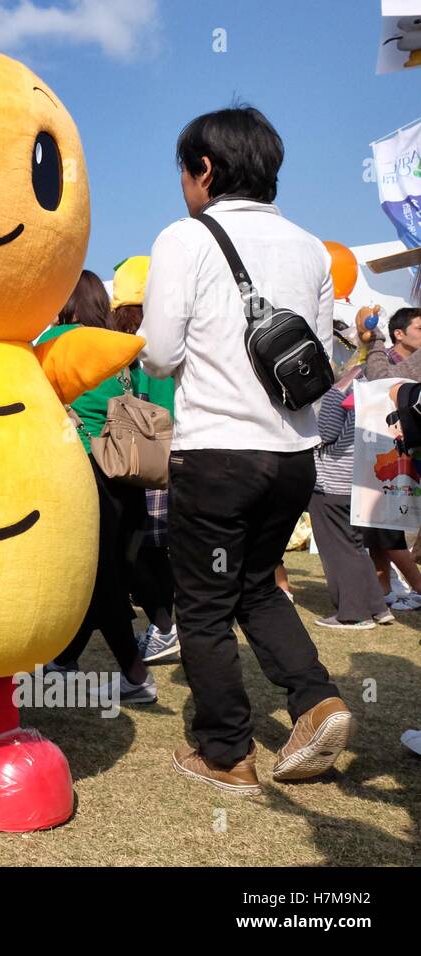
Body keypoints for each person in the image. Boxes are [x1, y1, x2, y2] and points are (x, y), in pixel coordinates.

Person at [140, 105, 351, 793]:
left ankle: (226, 752)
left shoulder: (186, 238)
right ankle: (316, 699)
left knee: (202, 604)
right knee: (257, 587)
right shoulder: (311, 248)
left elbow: (164, 354)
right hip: (291, 454)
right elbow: (313, 359)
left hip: (216, 454)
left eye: (184, 170)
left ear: (203, 168)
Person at [38, 270, 158, 705]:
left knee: (99, 576)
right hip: (127, 471)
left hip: (85, 469)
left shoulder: (55, 342)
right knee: (106, 570)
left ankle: (135, 674)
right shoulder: (117, 347)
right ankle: (66, 659)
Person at [108, 256, 180, 663]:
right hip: (180, 451)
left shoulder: (139, 346)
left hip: (152, 454)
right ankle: (165, 626)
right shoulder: (173, 335)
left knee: (140, 550)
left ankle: (165, 627)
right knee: (158, 549)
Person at [308, 362, 393, 628]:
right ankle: (377, 606)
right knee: (355, 547)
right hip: (362, 481)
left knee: (337, 550)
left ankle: (353, 614)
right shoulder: (373, 392)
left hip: (332, 483)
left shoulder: (335, 395)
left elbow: (327, 434)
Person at [357, 306, 421, 609]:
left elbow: (382, 379)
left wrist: (375, 340)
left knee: (389, 530)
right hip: (387, 455)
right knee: (380, 528)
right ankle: (386, 588)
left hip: (404, 458)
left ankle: (414, 588)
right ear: (401, 333)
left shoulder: (404, 362)